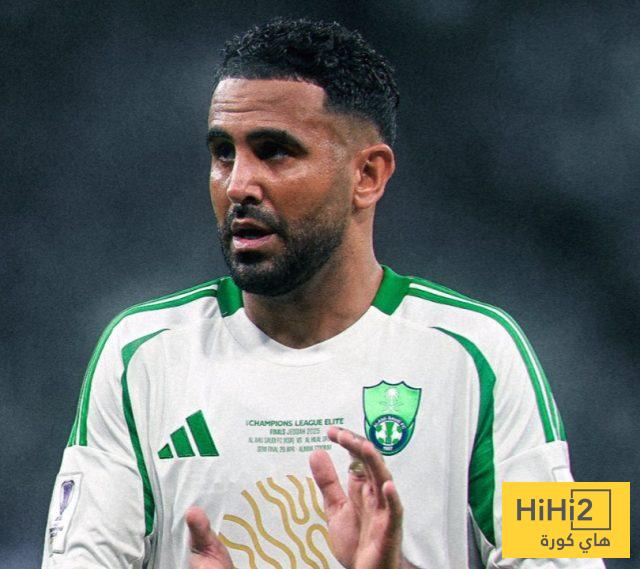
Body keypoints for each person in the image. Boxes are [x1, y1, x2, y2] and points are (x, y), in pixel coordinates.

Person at [43, 19, 604, 569]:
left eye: (274, 151)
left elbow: (573, 562)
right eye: (223, 152)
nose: (237, 184)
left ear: (368, 175)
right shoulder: (139, 351)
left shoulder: (487, 349)